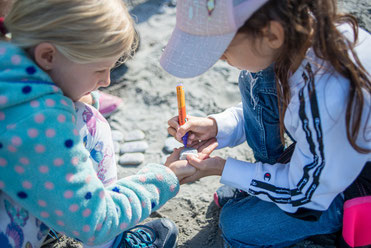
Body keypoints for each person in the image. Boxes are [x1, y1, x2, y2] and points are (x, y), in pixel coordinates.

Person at [161, 0, 371, 247]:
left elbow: (305, 194)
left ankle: (326, 226)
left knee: (237, 225)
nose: (218, 58)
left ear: (272, 34)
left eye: (222, 47)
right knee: (256, 78)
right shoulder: (301, 35)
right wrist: (216, 125)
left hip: (346, 184)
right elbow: (275, 105)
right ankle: (266, 179)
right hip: (323, 157)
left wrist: (221, 168)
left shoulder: (327, 97)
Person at [0, 0, 204, 247]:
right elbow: (97, 220)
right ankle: (112, 242)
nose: (107, 80)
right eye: (99, 70)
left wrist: (77, 94)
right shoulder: (41, 121)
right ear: (47, 55)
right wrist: (165, 177)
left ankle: (56, 220)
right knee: (90, 121)